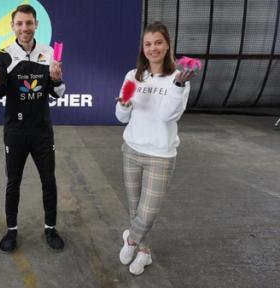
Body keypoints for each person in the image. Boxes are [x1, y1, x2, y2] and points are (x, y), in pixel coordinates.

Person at [0, 4, 66, 253]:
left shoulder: (49, 52)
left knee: (49, 182)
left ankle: (50, 228)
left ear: (36, 25)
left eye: (28, 23)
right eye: (19, 24)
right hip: (15, 132)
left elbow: (58, 93)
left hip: (42, 131)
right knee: (13, 183)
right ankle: (11, 231)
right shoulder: (5, 54)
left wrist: (57, 79)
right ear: (13, 27)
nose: (24, 28)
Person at [115, 21, 195, 275]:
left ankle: (131, 240)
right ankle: (144, 252)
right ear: (143, 48)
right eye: (148, 44)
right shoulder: (133, 76)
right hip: (131, 150)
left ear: (168, 44)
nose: (153, 48)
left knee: (146, 214)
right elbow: (121, 117)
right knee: (135, 209)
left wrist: (178, 87)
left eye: (158, 43)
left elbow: (168, 116)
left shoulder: (177, 79)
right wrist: (125, 104)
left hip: (160, 156)